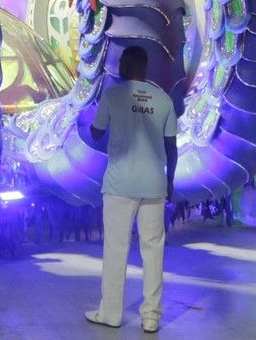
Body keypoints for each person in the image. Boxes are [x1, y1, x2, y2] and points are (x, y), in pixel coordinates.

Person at [86, 46, 177, 333]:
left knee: (116, 249)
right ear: (146, 68)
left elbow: (96, 133)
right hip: (154, 185)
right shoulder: (164, 100)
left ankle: (111, 313)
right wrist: (170, 180)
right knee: (153, 251)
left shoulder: (113, 96)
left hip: (120, 185)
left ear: (124, 67)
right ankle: (151, 317)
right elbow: (171, 147)